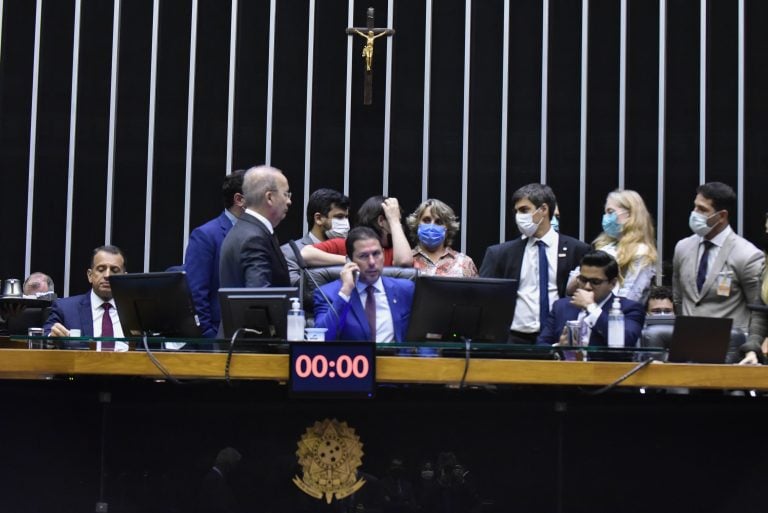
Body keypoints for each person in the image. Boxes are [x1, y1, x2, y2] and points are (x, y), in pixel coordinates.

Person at [480, 183, 590, 344]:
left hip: (561, 336)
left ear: (543, 210)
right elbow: (485, 298)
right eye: (516, 211)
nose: (519, 216)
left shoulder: (577, 250)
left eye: (524, 210)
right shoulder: (500, 254)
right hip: (514, 339)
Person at [672, 182, 764, 335]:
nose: (695, 213)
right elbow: (679, 298)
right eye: (695, 207)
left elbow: (758, 311)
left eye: (702, 210)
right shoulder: (683, 247)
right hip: (688, 340)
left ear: (721, 216)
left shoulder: (747, 255)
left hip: (729, 346)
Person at [313, 227, 414, 342]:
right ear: (349, 261)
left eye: (376, 254)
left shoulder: (406, 289)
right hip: (352, 359)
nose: (372, 262)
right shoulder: (327, 293)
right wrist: (345, 292)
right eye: (363, 256)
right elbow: (322, 339)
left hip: (394, 359)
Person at [537, 250, 645, 347]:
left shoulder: (629, 308)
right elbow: (541, 346)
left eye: (595, 282)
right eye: (583, 280)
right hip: (567, 368)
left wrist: (591, 307)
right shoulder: (561, 306)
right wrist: (558, 346)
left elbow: (626, 341)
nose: (587, 287)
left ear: (612, 283)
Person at [184, 170, 246, 338]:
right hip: (218, 335)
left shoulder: (262, 235)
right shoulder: (206, 235)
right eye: (257, 194)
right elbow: (196, 292)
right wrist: (208, 337)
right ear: (239, 200)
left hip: (252, 334)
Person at [219, 165, 292, 288]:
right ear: (269, 197)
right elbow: (259, 300)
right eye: (286, 194)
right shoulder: (254, 239)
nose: (289, 201)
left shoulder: (245, 229)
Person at [43, 245, 128, 350]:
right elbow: (45, 337)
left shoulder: (137, 311)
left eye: (114, 270)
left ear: (124, 277)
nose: (107, 275)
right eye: (101, 269)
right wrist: (51, 338)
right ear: (90, 275)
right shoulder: (65, 308)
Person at [300, 195, 413, 268]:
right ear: (381, 221)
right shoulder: (345, 244)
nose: (399, 226)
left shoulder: (393, 251)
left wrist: (393, 221)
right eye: (398, 220)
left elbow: (404, 261)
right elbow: (305, 254)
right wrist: (349, 260)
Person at [590, 189, 657, 303]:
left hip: (618, 316)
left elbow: (630, 296)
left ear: (630, 215)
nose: (605, 218)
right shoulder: (604, 246)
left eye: (610, 212)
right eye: (605, 212)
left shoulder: (641, 252)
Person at [280, 188, 351, 286]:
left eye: (346, 217)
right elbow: (298, 290)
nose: (345, 223)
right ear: (318, 218)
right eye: (339, 217)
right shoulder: (290, 252)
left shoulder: (351, 250)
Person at [405, 198, 478, 277]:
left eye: (438, 222)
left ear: (447, 229)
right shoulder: (406, 261)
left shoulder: (464, 262)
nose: (431, 226)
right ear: (417, 224)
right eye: (426, 220)